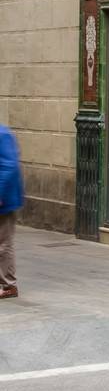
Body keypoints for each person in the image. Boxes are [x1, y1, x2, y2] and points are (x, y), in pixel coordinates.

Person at [0, 121, 24, 299]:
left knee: (4, 243)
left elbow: (10, 166)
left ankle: (9, 285)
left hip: (5, 199)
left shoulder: (3, 134)